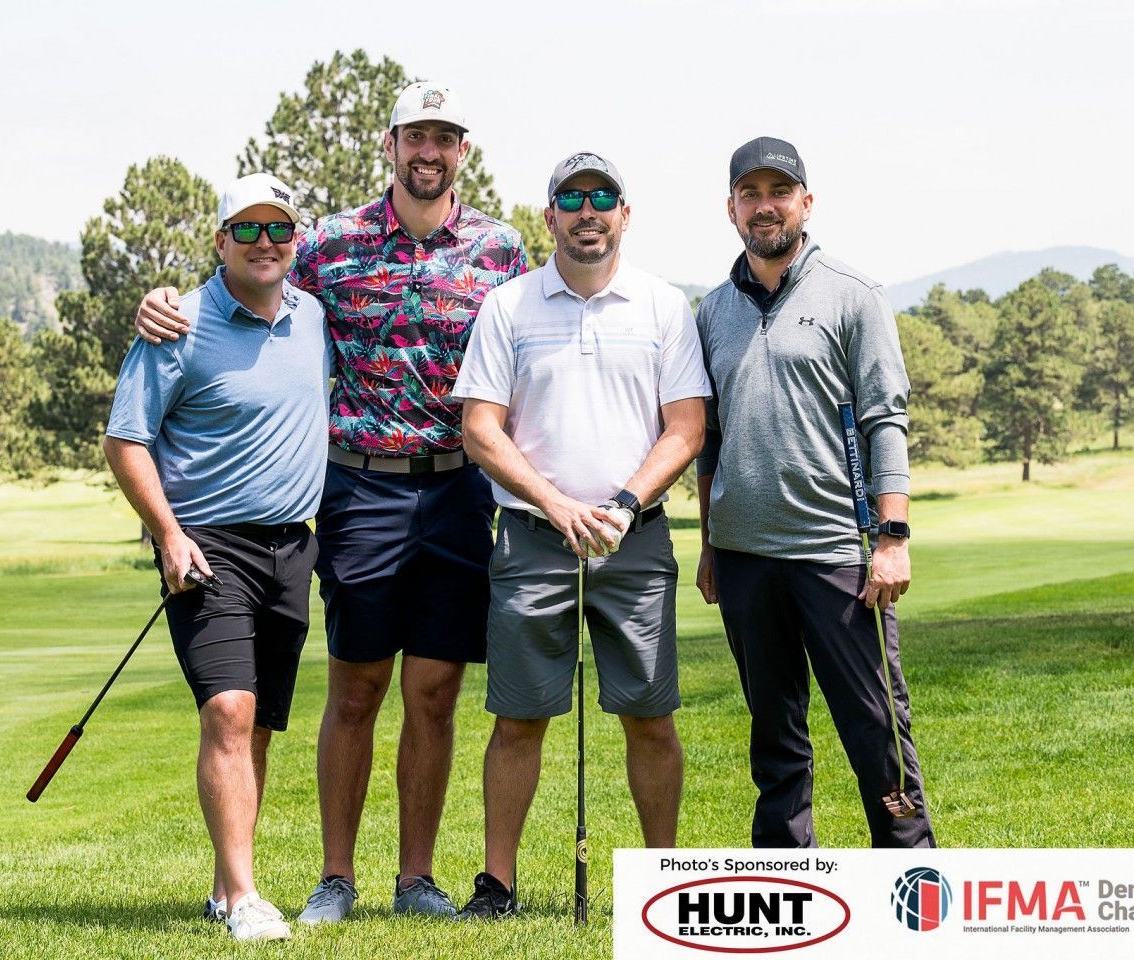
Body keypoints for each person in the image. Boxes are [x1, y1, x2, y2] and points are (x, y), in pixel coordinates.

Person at [133, 81, 527, 921]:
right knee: (355, 690)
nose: (428, 152)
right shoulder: (327, 243)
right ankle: (335, 879)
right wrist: (162, 299)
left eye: (444, 138)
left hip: (459, 487)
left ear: (462, 151)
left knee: (434, 691)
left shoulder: (500, 249)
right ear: (389, 146)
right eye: (413, 136)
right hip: (359, 489)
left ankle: (415, 878)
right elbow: (244, 282)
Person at [450, 152, 710, 918]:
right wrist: (558, 505)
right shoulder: (509, 306)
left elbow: (686, 426)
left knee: (649, 714)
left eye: (603, 197)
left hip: (635, 537)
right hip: (534, 537)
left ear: (624, 214)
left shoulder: (662, 306)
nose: (586, 210)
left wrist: (624, 503)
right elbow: (479, 428)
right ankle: (497, 884)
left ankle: (664, 881)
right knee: (519, 715)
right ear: (549, 215)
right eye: (571, 198)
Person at [105, 172, 331, 941]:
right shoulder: (179, 323)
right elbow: (124, 439)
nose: (264, 243)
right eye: (247, 229)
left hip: (291, 546)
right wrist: (168, 534)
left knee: (259, 723)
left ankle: (221, 886)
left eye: (278, 229)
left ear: (294, 240)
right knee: (227, 711)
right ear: (220, 240)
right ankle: (243, 898)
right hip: (206, 547)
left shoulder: (314, 317)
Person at [694, 137, 935, 849]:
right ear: (731, 208)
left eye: (778, 190)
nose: (763, 205)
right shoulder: (710, 312)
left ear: (805, 201)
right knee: (774, 740)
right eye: (750, 193)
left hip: (837, 553)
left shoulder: (853, 295)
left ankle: (909, 876)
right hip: (742, 556)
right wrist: (709, 546)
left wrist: (892, 540)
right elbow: (707, 439)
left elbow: (884, 420)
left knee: (875, 730)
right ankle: (785, 884)